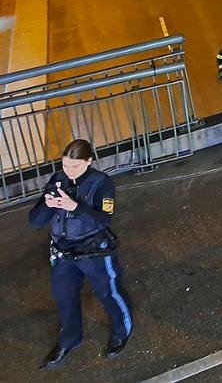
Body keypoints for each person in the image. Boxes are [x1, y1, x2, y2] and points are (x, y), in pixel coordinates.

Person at [28, 139, 133, 369]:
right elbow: (35, 221)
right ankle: (69, 340)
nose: (68, 171)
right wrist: (48, 204)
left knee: (109, 293)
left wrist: (74, 207)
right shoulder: (58, 180)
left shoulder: (102, 183)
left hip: (93, 250)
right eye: (65, 165)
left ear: (89, 161)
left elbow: (104, 220)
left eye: (74, 166)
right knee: (63, 296)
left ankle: (121, 331)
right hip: (63, 252)